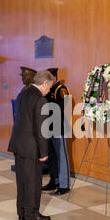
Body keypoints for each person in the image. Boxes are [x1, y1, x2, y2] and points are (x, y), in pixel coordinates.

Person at [8, 70, 54, 220]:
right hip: (31, 147)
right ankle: (32, 214)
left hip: (18, 144)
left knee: (22, 181)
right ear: (45, 83)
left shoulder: (23, 93)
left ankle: (21, 212)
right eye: (49, 87)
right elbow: (41, 129)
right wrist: (44, 152)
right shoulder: (40, 100)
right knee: (33, 182)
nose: (49, 91)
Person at [42, 68, 71, 196]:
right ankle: (54, 180)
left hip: (59, 127)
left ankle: (64, 185)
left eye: (49, 79)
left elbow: (64, 105)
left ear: (54, 78)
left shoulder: (61, 89)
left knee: (62, 157)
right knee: (52, 157)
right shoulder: (49, 89)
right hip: (48, 127)